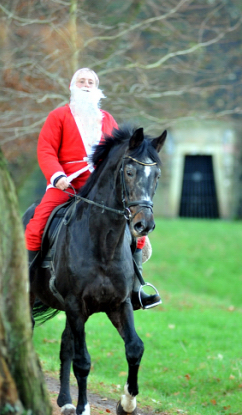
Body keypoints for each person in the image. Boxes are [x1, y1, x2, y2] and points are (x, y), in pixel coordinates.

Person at [25, 67, 161, 309]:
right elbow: (45, 150)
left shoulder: (107, 119)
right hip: (66, 183)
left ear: (97, 88)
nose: (86, 84)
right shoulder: (58, 116)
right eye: (81, 81)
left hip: (99, 187)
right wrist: (57, 177)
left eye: (91, 81)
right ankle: (26, 282)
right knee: (36, 225)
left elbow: (120, 155)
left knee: (138, 233)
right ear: (72, 87)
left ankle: (135, 290)